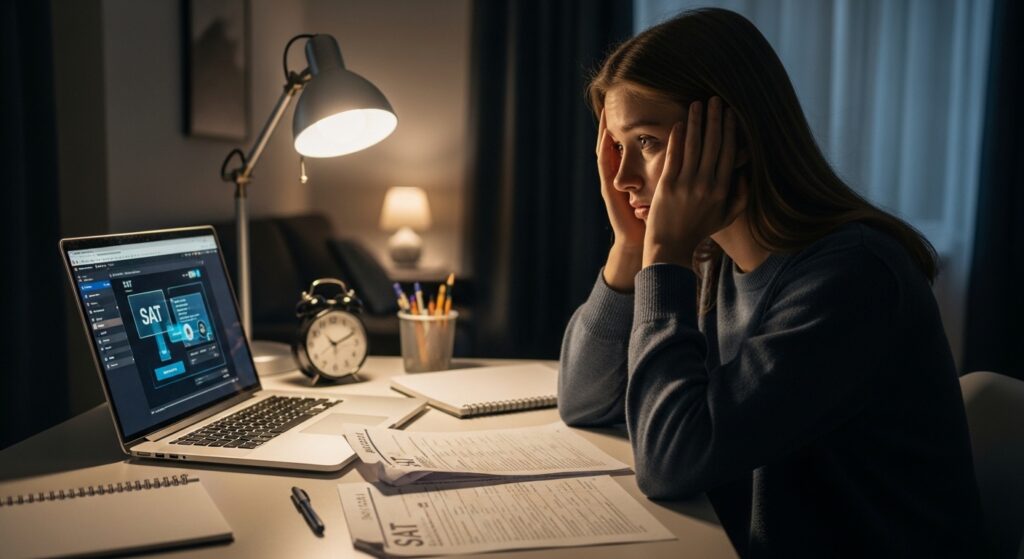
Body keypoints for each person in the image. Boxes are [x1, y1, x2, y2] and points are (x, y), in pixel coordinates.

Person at [558, 8, 984, 557]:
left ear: (733, 137)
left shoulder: (852, 278)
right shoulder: (714, 260)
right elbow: (585, 400)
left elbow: (672, 463)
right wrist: (631, 248)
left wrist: (664, 256)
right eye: (616, 148)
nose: (621, 178)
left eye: (645, 142)